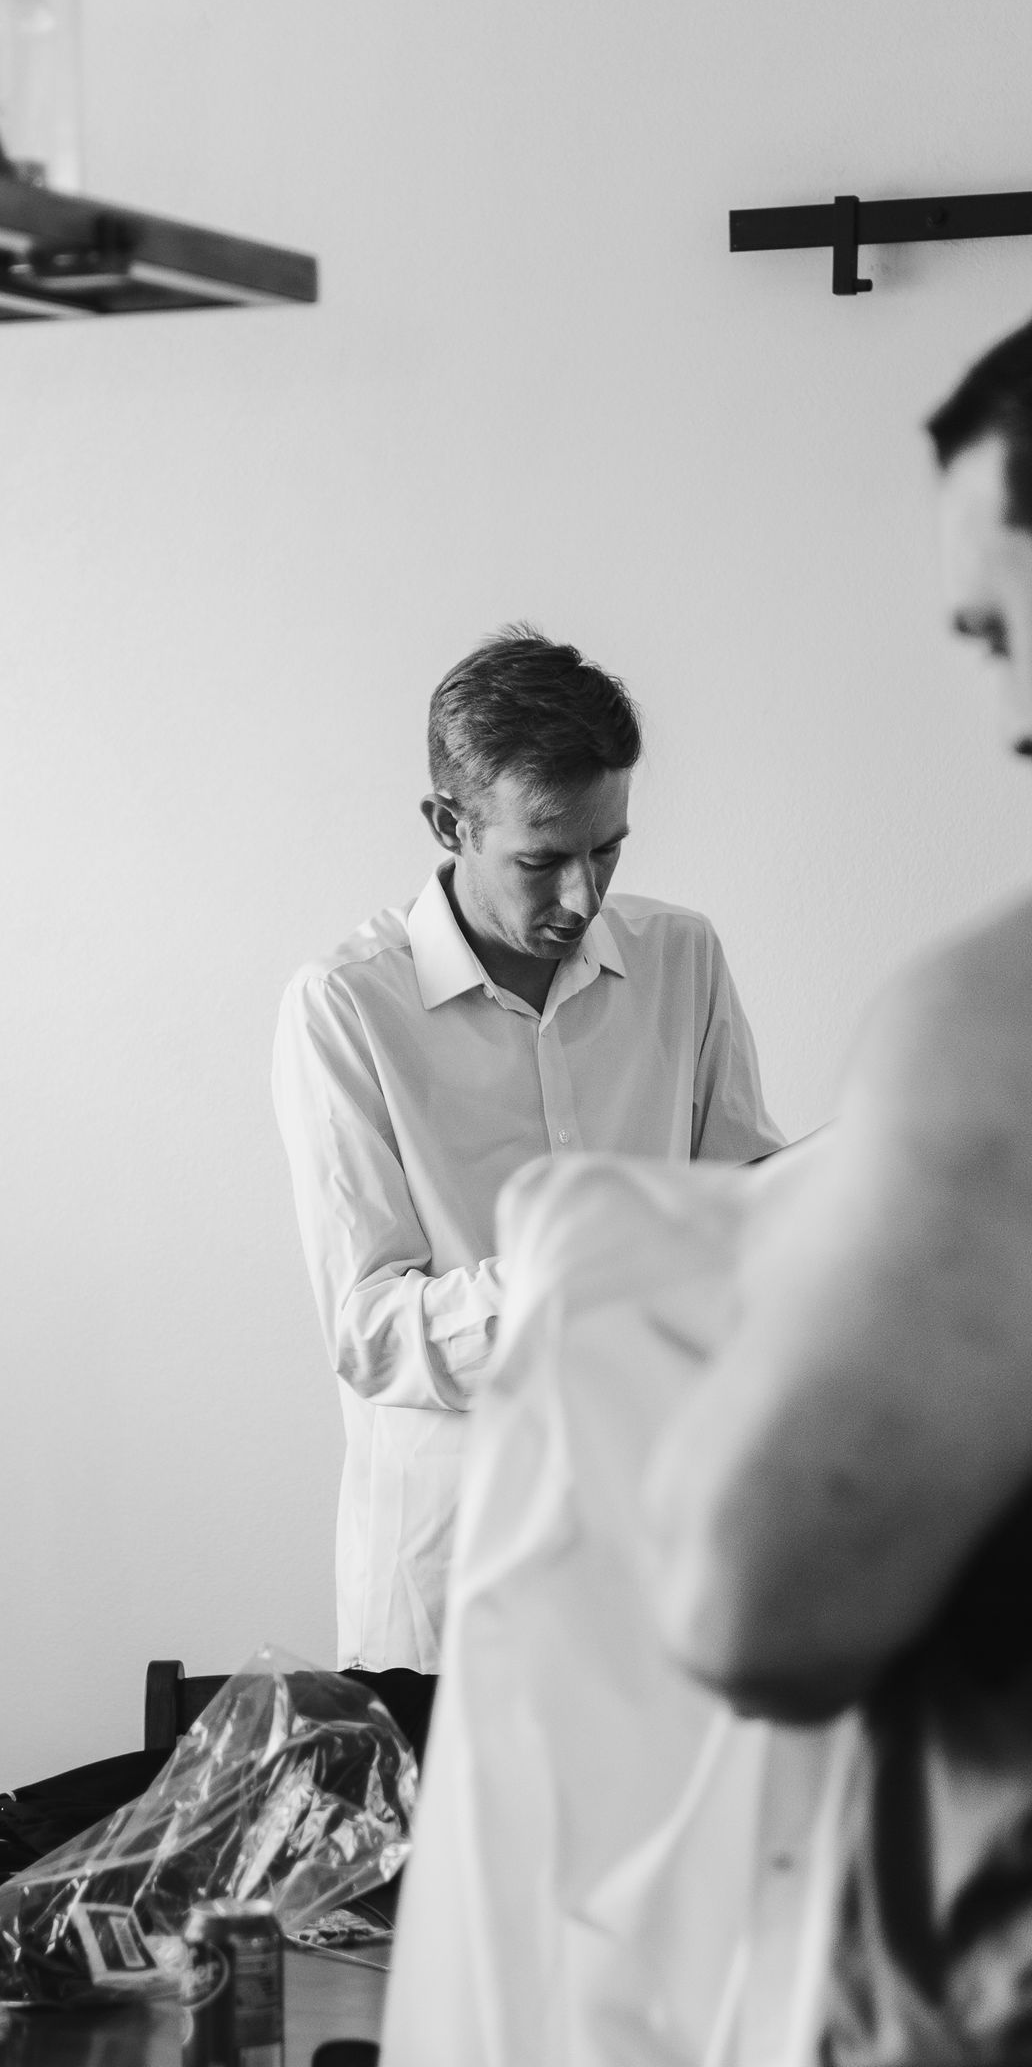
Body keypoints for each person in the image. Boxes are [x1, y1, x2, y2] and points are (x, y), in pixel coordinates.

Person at [646, 315, 1032, 2057]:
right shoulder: (336, 1013)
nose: (1010, 707)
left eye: (1004, 627)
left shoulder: (991, 1035)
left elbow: (752, 1605)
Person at [272, 626, 780, 1753]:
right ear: (449, 826)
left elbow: (741, 1217)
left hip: (663, 1570)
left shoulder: (683, 961)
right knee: (441, 1932)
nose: (583, 891)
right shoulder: (345, 1009)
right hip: (451, 1609)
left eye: (609, 849)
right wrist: (591, 1267)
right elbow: (370, 1330)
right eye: (543, 858)